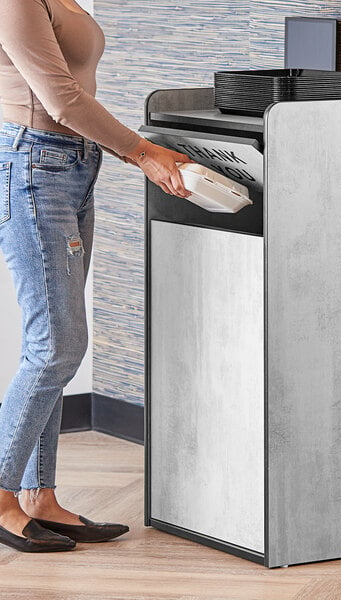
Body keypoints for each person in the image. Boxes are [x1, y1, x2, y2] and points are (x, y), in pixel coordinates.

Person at [0, 0, 193, 552]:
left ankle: (39, 495)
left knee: (49, 344)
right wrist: (143, 152)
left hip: (72, 167)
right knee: (57, 344)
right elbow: (59, 98)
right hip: (33, 166)